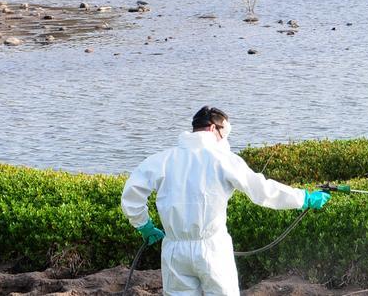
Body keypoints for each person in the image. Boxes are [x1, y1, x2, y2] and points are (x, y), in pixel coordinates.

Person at [120, 106, 330, 296]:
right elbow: (262, 190)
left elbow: (132, 193)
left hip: (175, 250)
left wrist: (143, 225)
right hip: (212, 248)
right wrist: (303, 198)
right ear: (213, 129)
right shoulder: (223, 159)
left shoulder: (162, 160)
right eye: (224, 134)